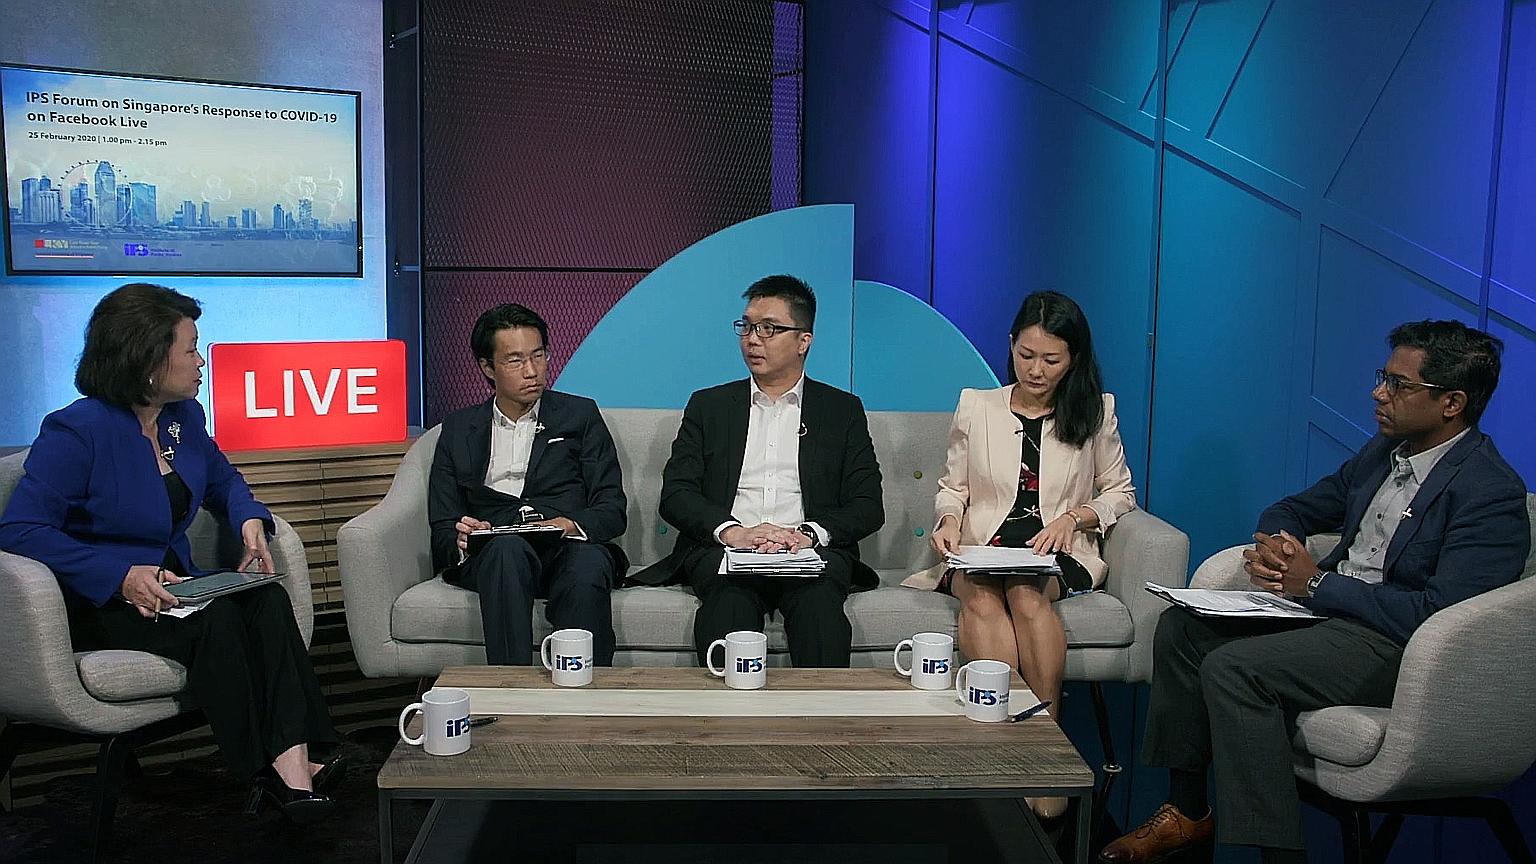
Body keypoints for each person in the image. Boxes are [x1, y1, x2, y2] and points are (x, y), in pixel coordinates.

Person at [1100, 320, 1530, 864]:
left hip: (1399, 646)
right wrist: (1280, 543)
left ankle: (1279, 856)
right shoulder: (1383, 453)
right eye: (1383, 377)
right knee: (1184, 629)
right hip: (1329, 618)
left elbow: (1438, 615)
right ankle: (1188, 812)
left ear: (1451, 403)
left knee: (1235, 669)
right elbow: (1299, 508)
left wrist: (1319, 584)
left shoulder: (1489, 492)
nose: (1379, 393)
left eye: (1398, 385)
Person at [0, 283, 339, 823]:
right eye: (190, 348)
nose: (200, 360)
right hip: (105, 604)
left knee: (265, 599)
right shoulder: (77, 431)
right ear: (150, 358)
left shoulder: (183, 418)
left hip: (175, 588)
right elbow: (19, 529)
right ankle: (265, 772)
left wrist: (248, 517)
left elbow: (223, 480)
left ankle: (298, 760)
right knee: (222, 619)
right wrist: (119, 574)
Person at [904, 290, 1136, 819]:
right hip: (982, 546)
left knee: (1029, 599)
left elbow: (1120, 492)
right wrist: (948, 521)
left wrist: (1073, 519)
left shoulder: (1095, 411)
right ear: (1010, 347)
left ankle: (1044, 747)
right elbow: (953, 486)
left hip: (1051, 548)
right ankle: (1004, 751)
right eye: (1026, 356)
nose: (1036, 370)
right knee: (984, 602)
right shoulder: (978, 405)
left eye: (1051, 360)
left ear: (1073, 357)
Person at [632, 274, 884, 668]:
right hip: (727, 549)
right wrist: (736, 533)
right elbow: (677, 494)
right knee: (727, 606)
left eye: (769, 329)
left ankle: (822, 722)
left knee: (818, 608)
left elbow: (867, 505)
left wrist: (806, 535)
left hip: (810, 554)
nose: (753, 339)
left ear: (804, 340)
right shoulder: (709, 406)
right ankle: (728, 724)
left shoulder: (842, 411)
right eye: (747, 326)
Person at [428, 303, 627, 666]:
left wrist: (569, 525)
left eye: (539, 356)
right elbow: (442, 524)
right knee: (506, 551)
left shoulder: (579, 416)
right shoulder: (458, 429)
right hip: (496, 554)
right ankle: (510, 686)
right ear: (487, 367)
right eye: (515, 361)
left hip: (567, 546)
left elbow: (612, 509)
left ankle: (589, 693)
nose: (533, 371)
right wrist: (462, 536)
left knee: (587, 565)